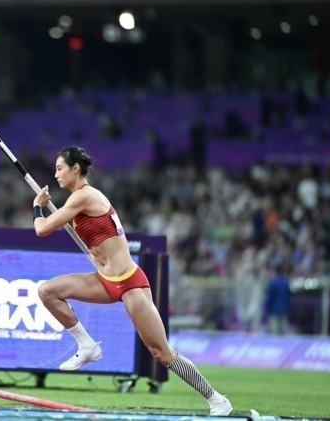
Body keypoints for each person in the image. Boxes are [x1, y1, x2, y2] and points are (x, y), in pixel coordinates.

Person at [32, 146, 232, 416]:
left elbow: (42, 229)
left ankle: (217, 399)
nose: (56, 174)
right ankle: (87, 345)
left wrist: (37, 206)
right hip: (104, 281)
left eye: (59, 169)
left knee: (162, 353)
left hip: (130, 284)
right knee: (47, 291)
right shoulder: (76, 200)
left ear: (75, 169)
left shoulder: (84, 196)